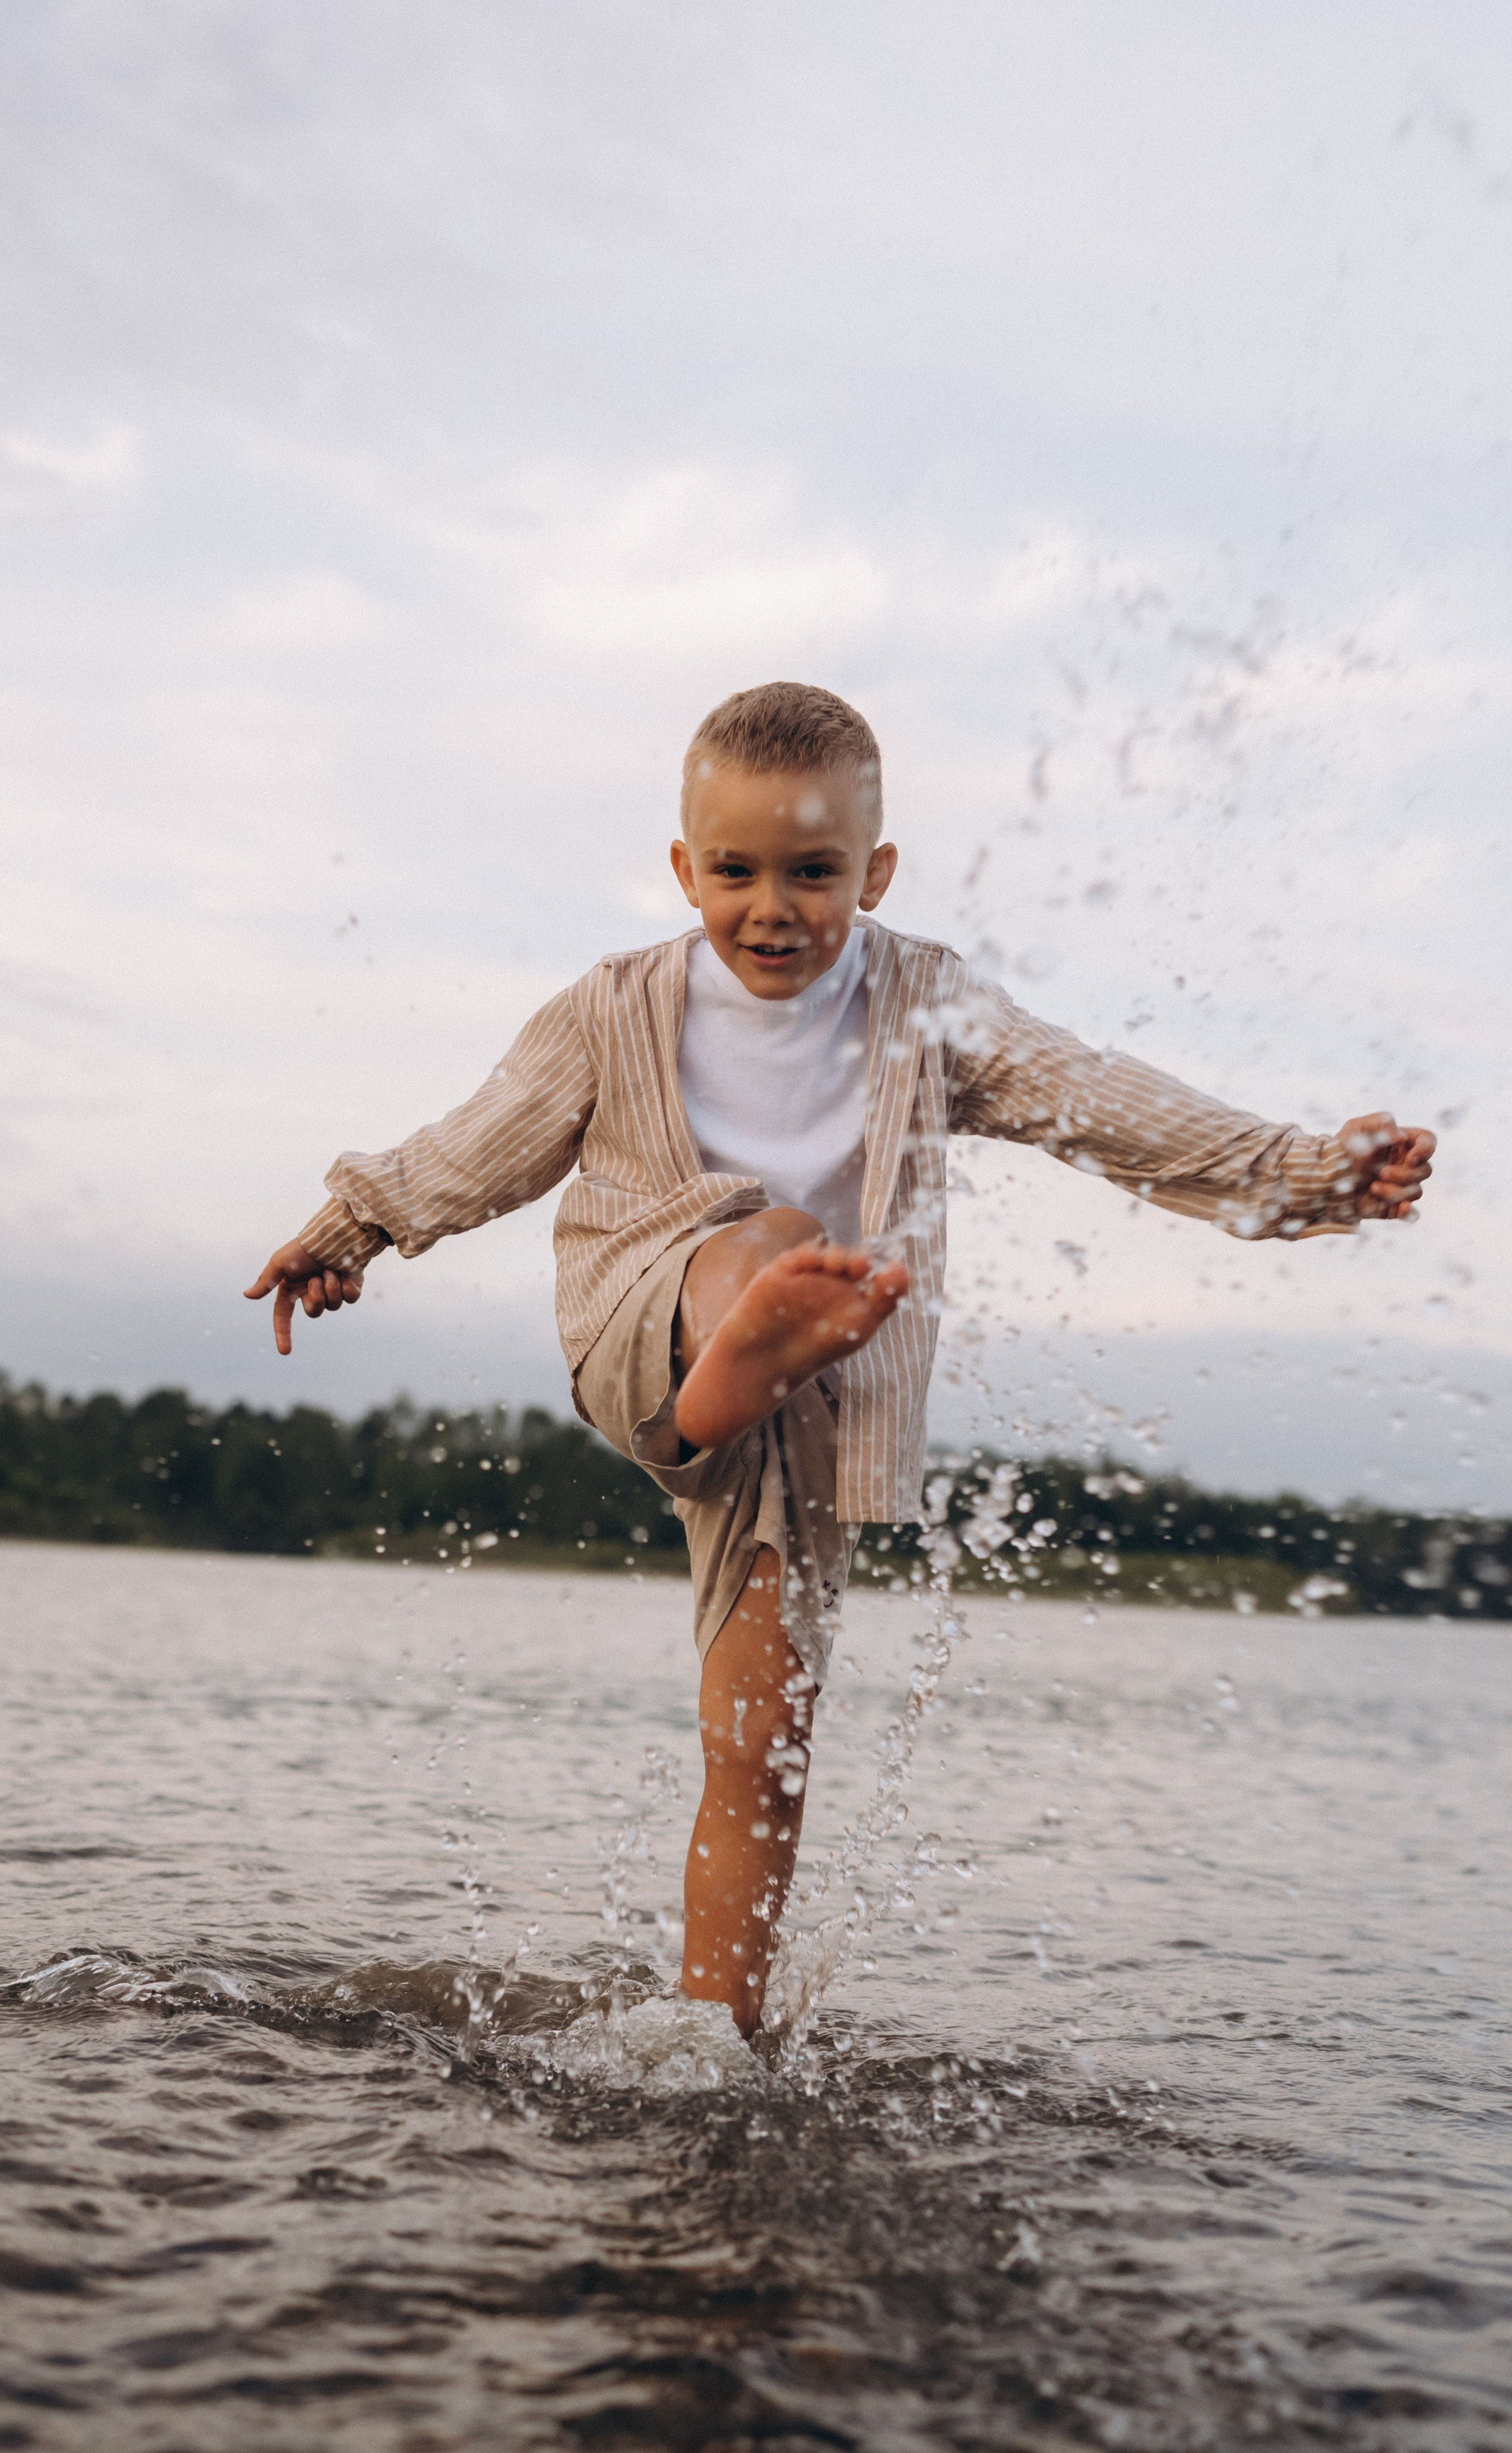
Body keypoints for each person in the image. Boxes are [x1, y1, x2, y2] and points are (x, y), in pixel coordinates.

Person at [245, 681, 1435, 2038]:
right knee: (778, 1241)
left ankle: (715, 2040)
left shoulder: (922, 1001)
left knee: (761, 1748)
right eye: (736, 871)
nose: (772, 907)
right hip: (650, 1318)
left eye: (812, 873)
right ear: (684, 868)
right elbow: (484, 1140)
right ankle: (724, 1368)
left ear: (872, 872)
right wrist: (358, 1221)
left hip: (815, 1405)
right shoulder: (614, 1009)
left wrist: (1300, 1172)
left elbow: (1097, 1099)